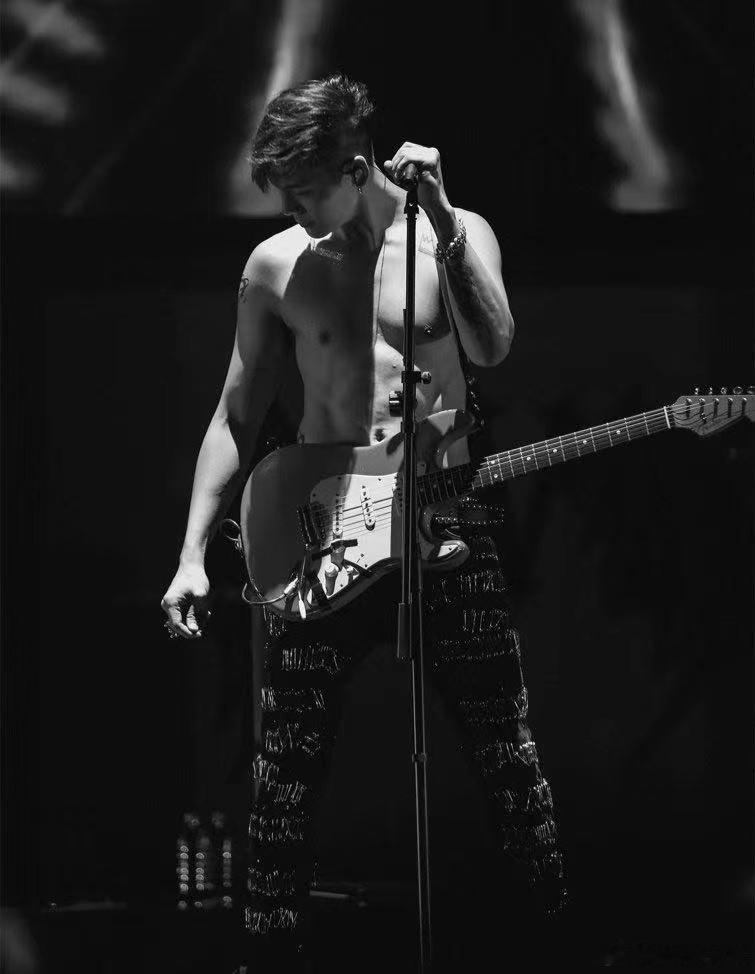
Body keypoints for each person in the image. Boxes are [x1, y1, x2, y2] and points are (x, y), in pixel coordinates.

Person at [161, 75, 565, 972]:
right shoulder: (277, 265)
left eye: (306, 192)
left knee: (506, 752)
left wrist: (444, 215)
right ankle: (268, 955)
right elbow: (235, 414)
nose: (296, 213)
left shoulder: (454, 236)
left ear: (355, 168)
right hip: (325, 531)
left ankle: (547, 944)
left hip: (443, 519)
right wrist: (192, 553)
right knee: (285, 770)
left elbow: (493, 346)